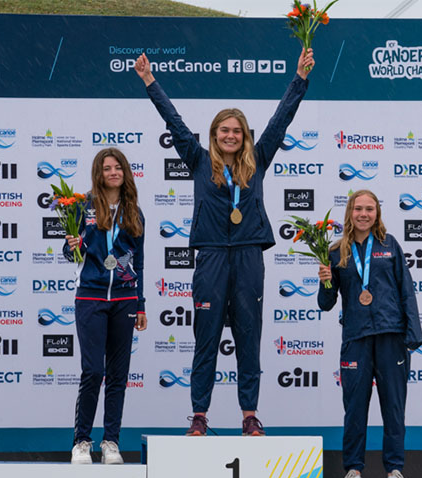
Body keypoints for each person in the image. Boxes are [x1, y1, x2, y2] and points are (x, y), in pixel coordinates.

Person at [134, 48, 315, 437]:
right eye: (224, 130)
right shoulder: (198, 160)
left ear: (245, 136)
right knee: (206, 339)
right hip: (211, 257)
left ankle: (249, 416)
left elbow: (281, 120)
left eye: (237, 131)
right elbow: (174, 121)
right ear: (214, 135)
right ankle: (199, 415)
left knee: (249, 338)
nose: (231, 136)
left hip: (249, 255)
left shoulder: (258, 159)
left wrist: (299, 79)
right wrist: (150, 82)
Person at [317, 189, 422, 478]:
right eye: (358, 209)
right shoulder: (337, 251)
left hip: (391, 335)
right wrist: (325, 282)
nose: (363, 214)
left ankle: (395, 470)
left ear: (377, 214)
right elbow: (326, 304)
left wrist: (413, 332)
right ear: (349, 213)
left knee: (393, 406)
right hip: (356, 337)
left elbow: (406, 290)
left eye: (369, 209)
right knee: (354, 407)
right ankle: (353, 469)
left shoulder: (390, 245)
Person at [65, 147, 147, 464]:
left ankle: (111, 442)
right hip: (91, 296)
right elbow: (69, 252)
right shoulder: (83, 207)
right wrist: (72, 245)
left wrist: (141, 304)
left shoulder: (134, 212)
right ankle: (81, 441)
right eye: (107, 168)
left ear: (125, 172)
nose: (113, 173)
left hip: (125, 299)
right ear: (98, 174)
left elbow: (139, 261)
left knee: (117, 374)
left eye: (118, 168)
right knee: (93, 371)